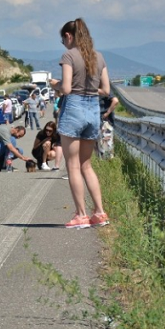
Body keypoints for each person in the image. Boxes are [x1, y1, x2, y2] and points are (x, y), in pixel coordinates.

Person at [50, 18, 110, 229]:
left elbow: (66, 89)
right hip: (93, 108)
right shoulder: (98, 56)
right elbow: (106, 90)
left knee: (73, 165)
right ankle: (100, 213)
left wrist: (55, 84)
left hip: (74, 108)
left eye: (63, 39)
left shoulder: (69, 55)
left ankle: (81, 214)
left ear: (69, 36)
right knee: (87, 165)